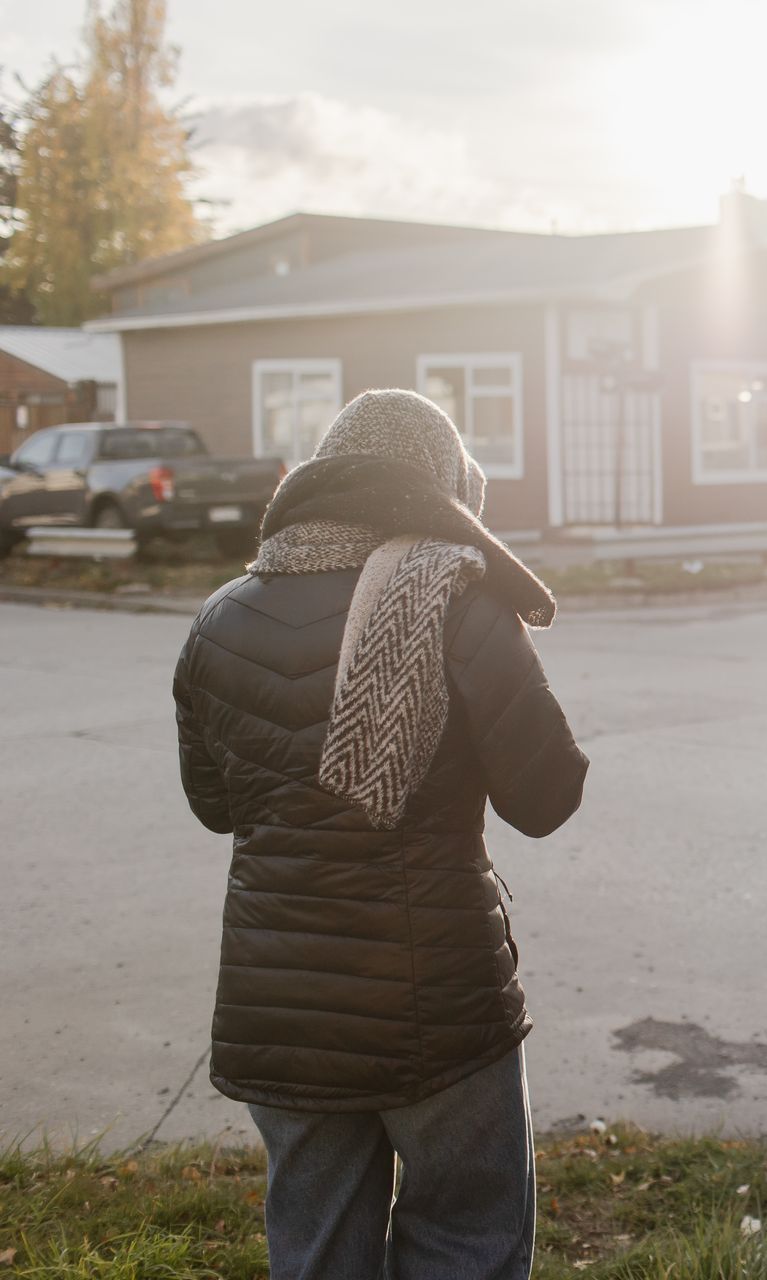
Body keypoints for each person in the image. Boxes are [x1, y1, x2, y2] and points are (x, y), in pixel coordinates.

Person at [172, 389, 589, 1280]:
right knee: (467, 1238)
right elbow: (547, 797)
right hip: (437, 996)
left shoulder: (221, 616)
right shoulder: (460, 601)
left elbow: (216, 803)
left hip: (277, 1002)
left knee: (317, 1252)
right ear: (439, 489)